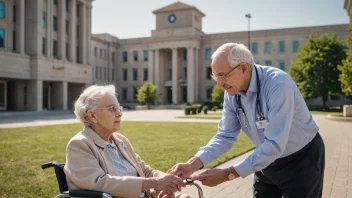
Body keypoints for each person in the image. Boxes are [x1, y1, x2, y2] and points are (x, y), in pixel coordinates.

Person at [168, 43, 325, 198]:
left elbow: (275, 144)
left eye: (222, 76)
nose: (219, 84)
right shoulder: (231, 91)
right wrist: (192, 164)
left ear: (243, 68)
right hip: (265, 160)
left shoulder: (278, 84)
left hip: (302, 159)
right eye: (216, 76)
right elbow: (226, 135)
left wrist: (227, 174)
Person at [64, 84, 193, 198]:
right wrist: (154, 183)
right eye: (112, 109)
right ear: (92, 116)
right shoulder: (80, 144)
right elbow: (100, 182)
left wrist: (169, 181)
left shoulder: (120, 140)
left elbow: (145, 171)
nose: (119, 114)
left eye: (119, 108)